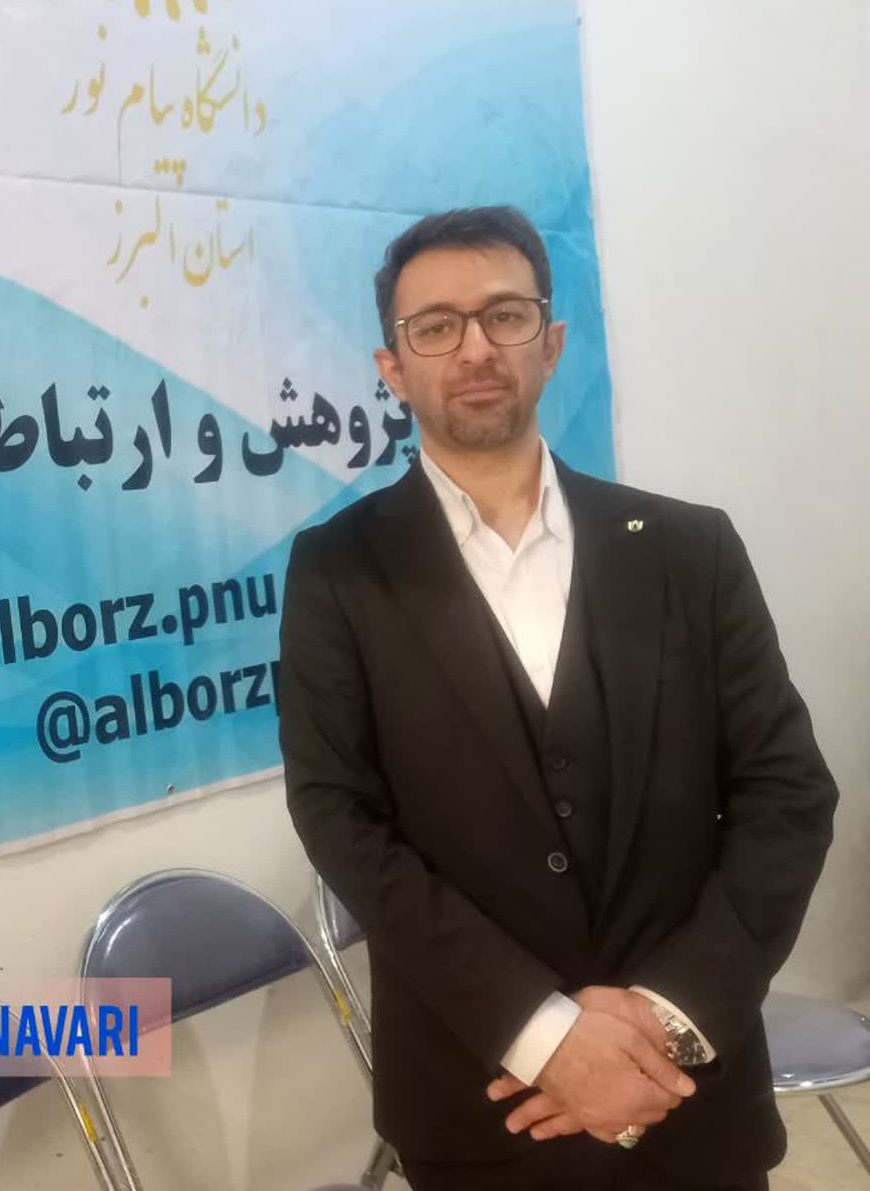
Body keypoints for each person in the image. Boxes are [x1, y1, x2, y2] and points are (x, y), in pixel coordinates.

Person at [277, 206, 837, 1190]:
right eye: (435, 326)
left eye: (505, 314)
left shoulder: (689, 550)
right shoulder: (338, 570)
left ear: (552, 342)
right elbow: (341, 818)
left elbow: (786, 792)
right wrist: (544, 1033)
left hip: (693, 1093)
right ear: (392, 367)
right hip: (483, 1097)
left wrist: (668, 1019)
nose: (474, 348)